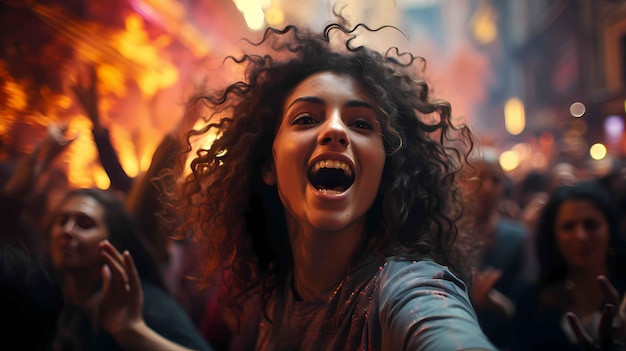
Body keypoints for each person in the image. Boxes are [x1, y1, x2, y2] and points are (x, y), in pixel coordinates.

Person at [168, 20, 497, 350]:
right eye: (306, 119)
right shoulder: (271, 292)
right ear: (268, 164)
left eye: (360, 123)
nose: (335, 130)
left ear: (385, 169)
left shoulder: (406, 290)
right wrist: (133, 329)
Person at [46, 188, 213, 351]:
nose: (67, 230)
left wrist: (133, 331)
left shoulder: (143, 302)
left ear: (113, 240)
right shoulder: (55, 297)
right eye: (61, 221)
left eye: (84, 224)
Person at [512, 181, 626, 350]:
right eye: (568, 227)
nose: (581, 236)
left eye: (591, 225)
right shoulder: (532, 300)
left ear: (610, 229)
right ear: (554, 236)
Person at [459, 147, 529, 350]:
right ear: (459, 183)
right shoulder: (443, 237)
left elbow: (527, 302)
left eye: (496, 180)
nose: (487, 188)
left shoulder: (518, 236)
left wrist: (500, 306)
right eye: (478, 179)